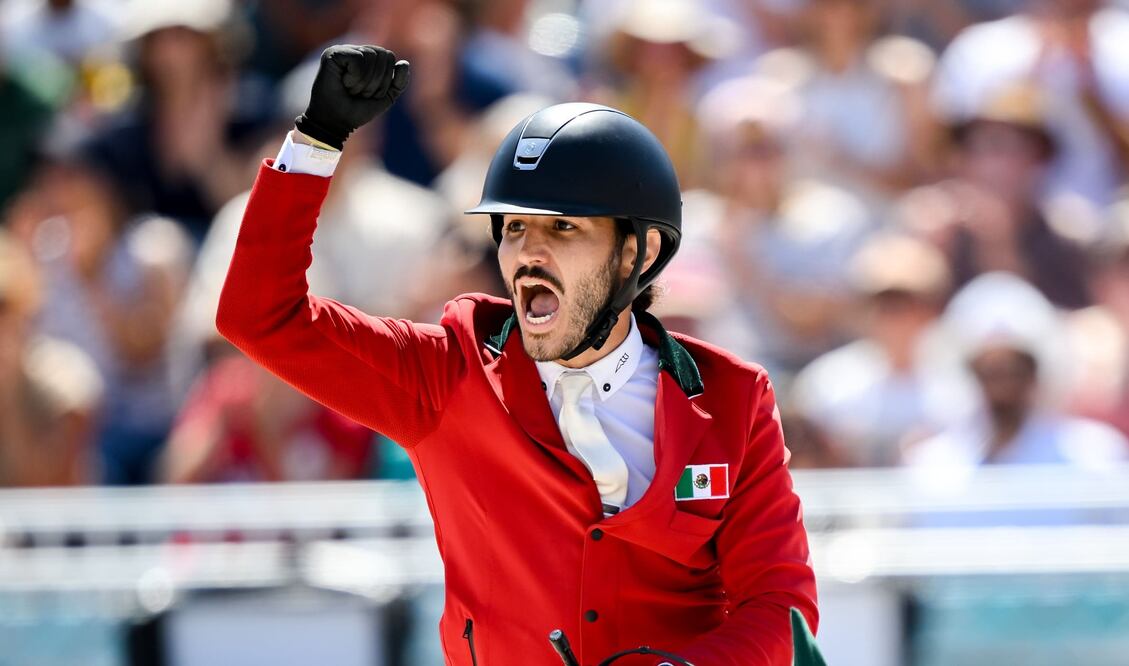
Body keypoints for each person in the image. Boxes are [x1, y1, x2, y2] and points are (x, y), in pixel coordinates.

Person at [218, 45, 817, 664]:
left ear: (638, 254)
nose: (528, 252)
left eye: (563, 227)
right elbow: (259, 316)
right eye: (512, 228)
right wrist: (318, 140)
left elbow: (780, 604)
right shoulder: (445, 372)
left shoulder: (734, 399)